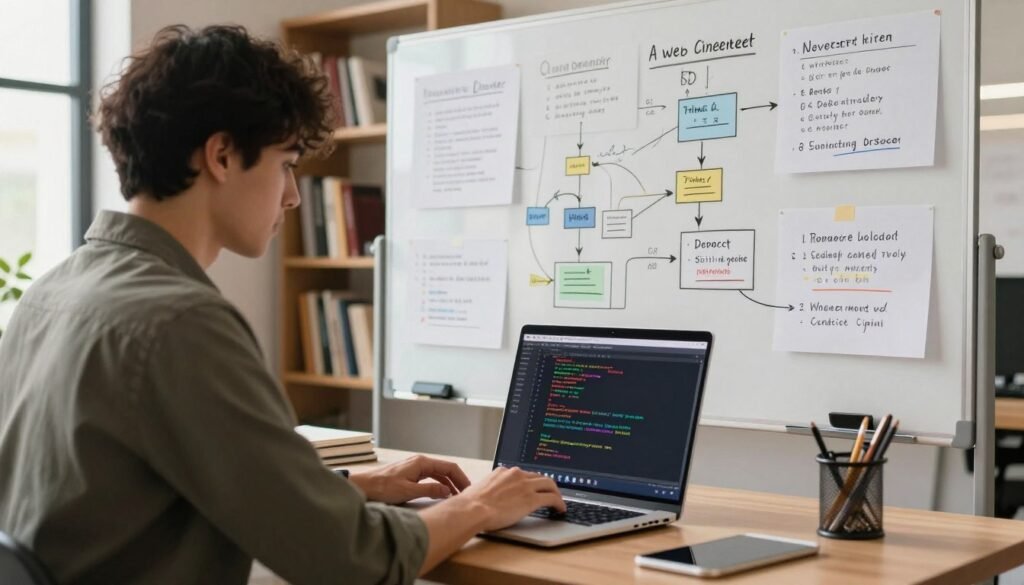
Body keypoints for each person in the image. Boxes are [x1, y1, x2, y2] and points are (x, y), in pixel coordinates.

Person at [0, 24, 564, 584]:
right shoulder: (181, 323)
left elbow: (145, 491)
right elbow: (353, 561)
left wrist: (348, 489)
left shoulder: (50, 293)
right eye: (286, 163)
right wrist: (480, 504)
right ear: (222, 155)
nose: (293, 196)